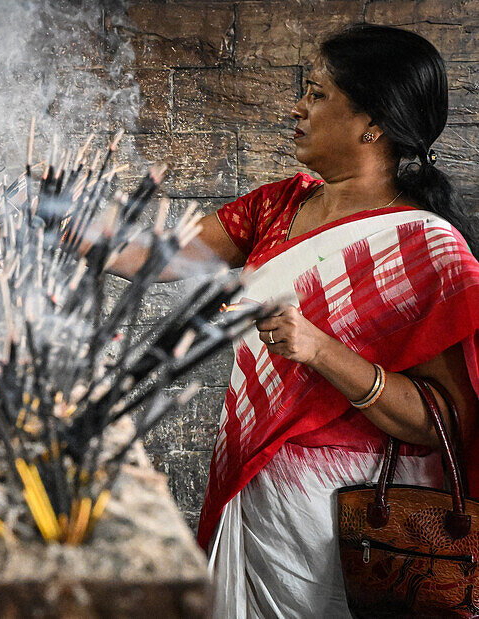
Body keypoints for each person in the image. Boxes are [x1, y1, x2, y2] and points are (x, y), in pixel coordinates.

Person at [108, 24, 479, 616]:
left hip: (344, 518)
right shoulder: (281, 203)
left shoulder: (427, 248)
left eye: (316, 93)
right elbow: (160, 254)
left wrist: (320, 349)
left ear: (373, 123)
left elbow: (446, 422)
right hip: (260, 495)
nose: (297, 107)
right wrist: (68, 223)